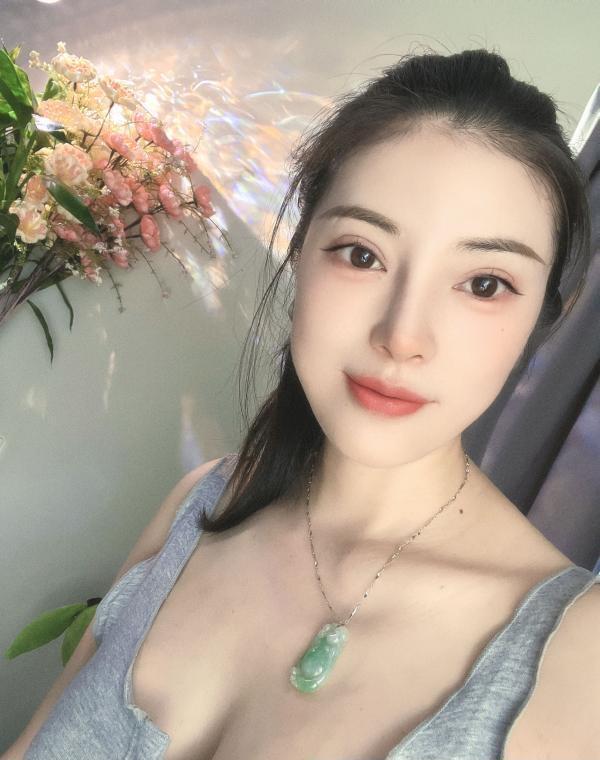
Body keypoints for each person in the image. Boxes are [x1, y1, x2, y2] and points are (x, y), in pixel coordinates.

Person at [6, 47, 598, 760]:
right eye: (362, 254)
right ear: (301, 253)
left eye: (483, 284)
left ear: (544, 317)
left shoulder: (576, 655)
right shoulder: (204, 504)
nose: (402, 337)